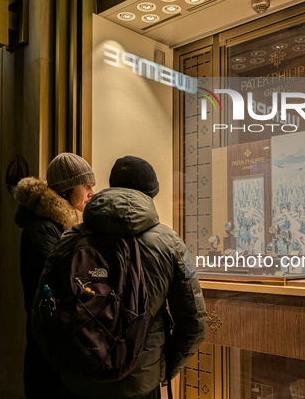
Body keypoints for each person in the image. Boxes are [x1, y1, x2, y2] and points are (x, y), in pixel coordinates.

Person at [33, 156, 207, 399]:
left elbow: (41, 314)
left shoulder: (70, 239)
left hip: (78, 384)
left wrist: (64, 365)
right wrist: (160, 369)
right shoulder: (170, 244)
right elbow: (194, 323)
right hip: (140, 385)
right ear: (151, 194)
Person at [14, 152, 95, 399]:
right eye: (86, 185)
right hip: (48, 348)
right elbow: (53, 287)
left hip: (57, 344)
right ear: (69, 188)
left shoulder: (61, 226)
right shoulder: (42, 228)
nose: (92, 192)